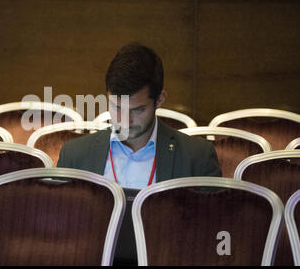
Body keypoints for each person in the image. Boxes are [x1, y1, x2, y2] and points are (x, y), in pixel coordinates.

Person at [57, 42, 222, 188]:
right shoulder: (73, 156)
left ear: (159, 99)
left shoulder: (197, 158)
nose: (124, 121)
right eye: (116, 107)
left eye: (137, 110)